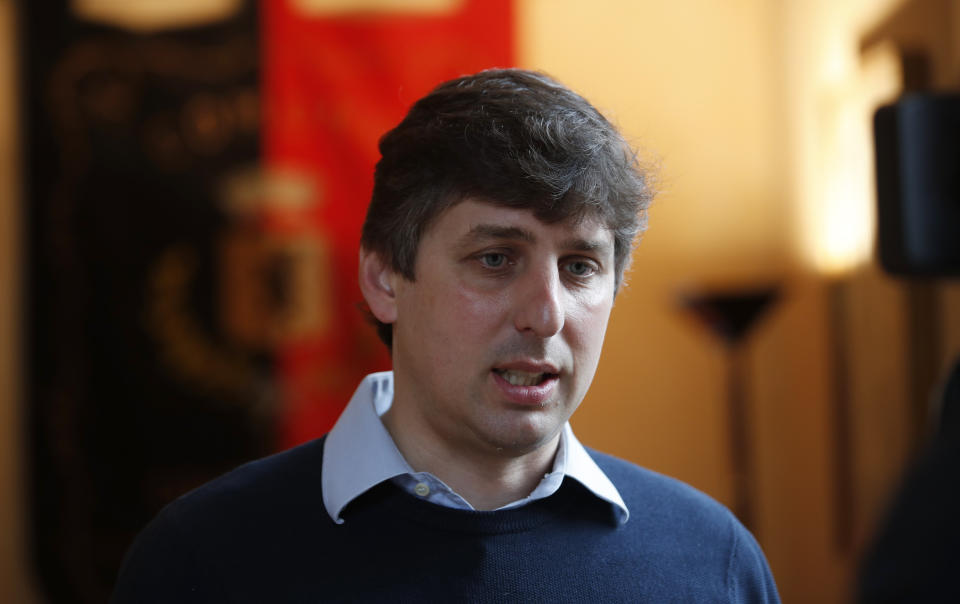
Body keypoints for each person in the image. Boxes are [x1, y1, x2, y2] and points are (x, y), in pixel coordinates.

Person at [112, 68, 780, 603]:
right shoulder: (202, 561)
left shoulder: (712, 564)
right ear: (384, 279)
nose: (545, 315)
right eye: (495, 259)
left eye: (580, 267)